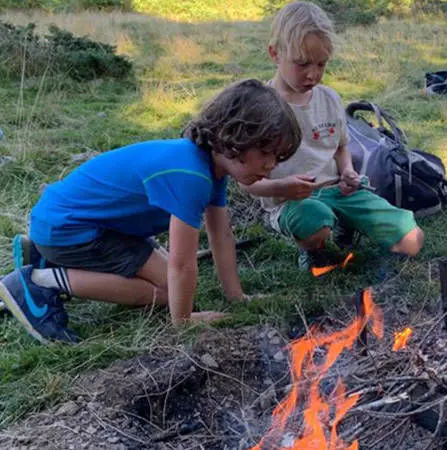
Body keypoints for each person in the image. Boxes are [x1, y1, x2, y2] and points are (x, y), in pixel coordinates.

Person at [0, 79, 302, 344]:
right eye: (265, 153)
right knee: (168, 292)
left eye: (276, 157)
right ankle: (38, 282)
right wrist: (183, 321)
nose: (271, 165)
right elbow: (182, 265)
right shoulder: (192, 176)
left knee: (171, 287)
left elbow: (220, 236)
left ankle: (45, 255)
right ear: (231, 137)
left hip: (76, 223)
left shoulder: (212, 167)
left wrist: (237, 296)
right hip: (69, 229)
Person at [241, 1, 424, 272]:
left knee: (413, 241)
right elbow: (248, 184)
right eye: (302, 64)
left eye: (321, 64)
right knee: (313, 219)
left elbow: (340, 147)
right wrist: (283, 187)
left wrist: (349, 171)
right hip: (292, 203)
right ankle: (314, 248)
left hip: (338, 192)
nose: (313, 74)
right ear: (275, 54)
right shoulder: (260, 107)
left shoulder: (329, 98)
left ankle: (344, 225)